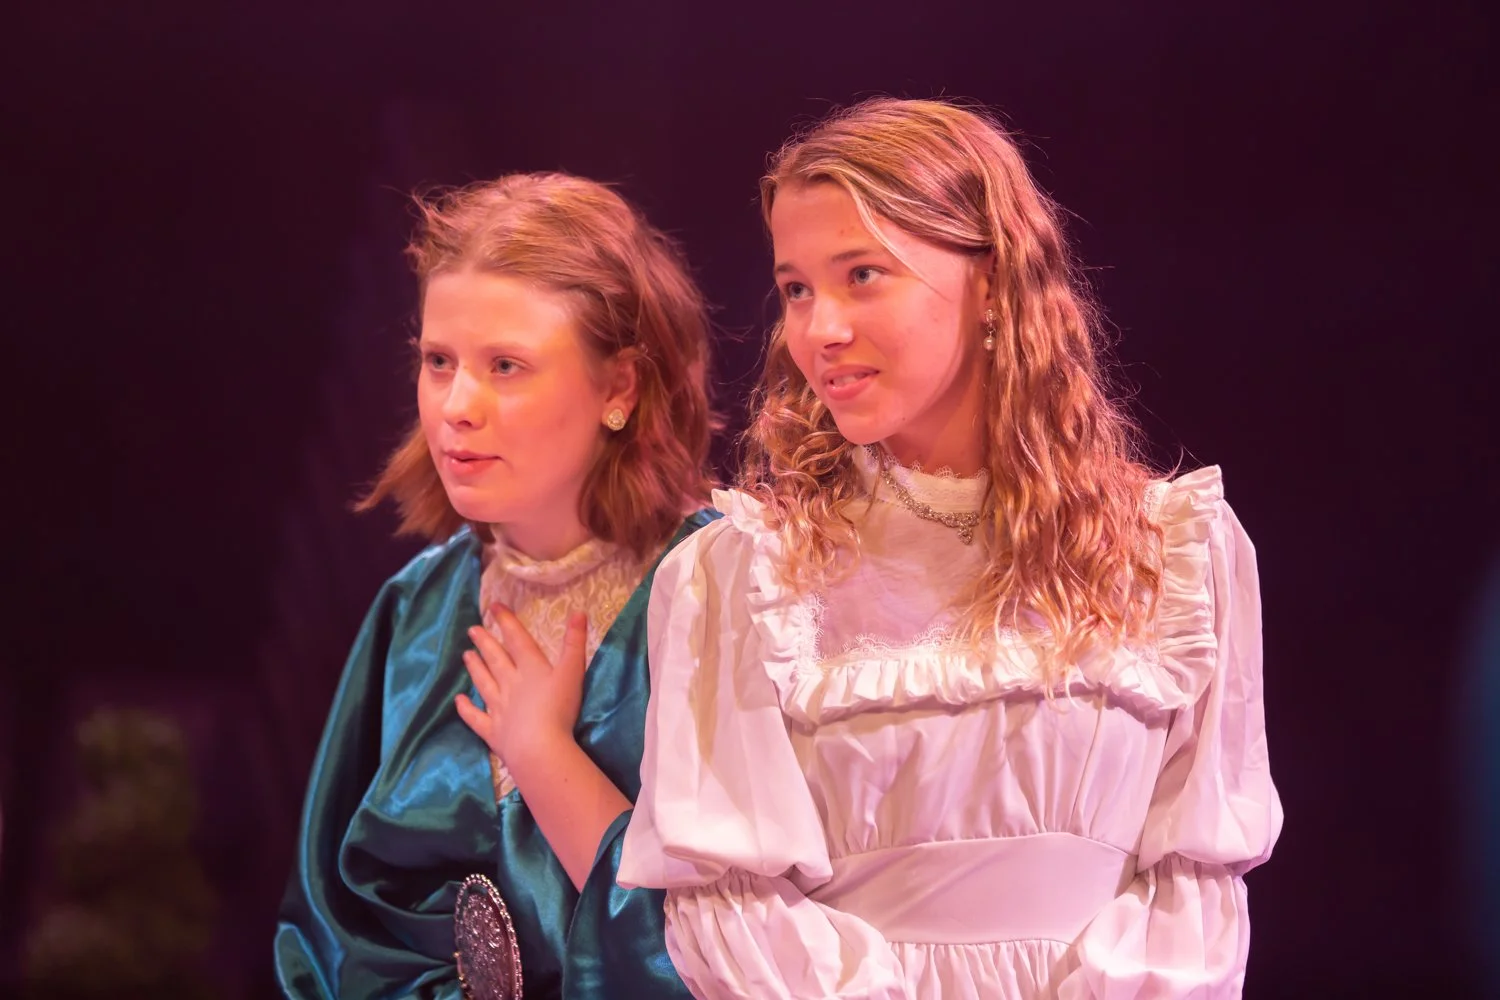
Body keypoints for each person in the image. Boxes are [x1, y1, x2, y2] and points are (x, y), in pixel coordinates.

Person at [619, 98, 1282, 999]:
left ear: (996, 283)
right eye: (797, 288)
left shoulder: (1177, 554)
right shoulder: (741, 575)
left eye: (862, 275)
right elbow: (733, 905)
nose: (820, 331)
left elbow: (1195, 884)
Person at [275, 171, 714, 999]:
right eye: (438, 362)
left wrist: (543, 755)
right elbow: (330, 934)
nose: (456, 406)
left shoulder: (712, 592)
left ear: (619, 387)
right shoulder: (416, 609)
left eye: (506, 366)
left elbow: (732, 941)